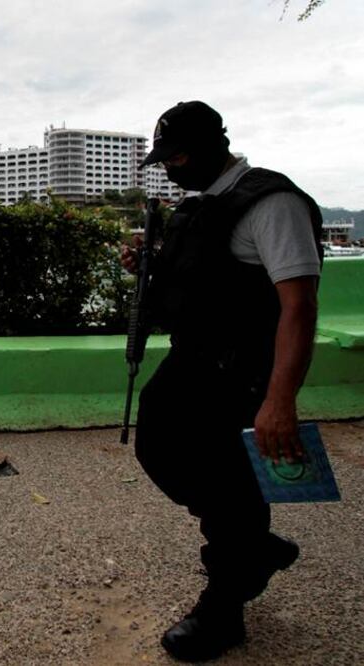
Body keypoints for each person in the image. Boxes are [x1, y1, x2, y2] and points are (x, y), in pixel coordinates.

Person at [122, 101, 322, 662]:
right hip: (191, 360)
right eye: (165, 159)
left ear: (214, 144)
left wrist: (280, 400)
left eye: (178, 157)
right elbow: (200, 277)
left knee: (232, 485)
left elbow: (299, 307)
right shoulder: (201, 205)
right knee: (158, 447)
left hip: (241, 373)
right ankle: (253, 546)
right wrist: (148, 262)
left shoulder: (272, 203)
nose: (170, 169)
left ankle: (225, 606)